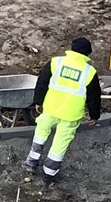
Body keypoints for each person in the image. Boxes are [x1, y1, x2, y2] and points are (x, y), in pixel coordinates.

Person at [26, 36, 101, 185]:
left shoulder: (56, 62)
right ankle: (48, 175)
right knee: (60, 144)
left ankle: (31, 164)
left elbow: (42, 83)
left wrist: (38, 102)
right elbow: (94, 97)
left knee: (41, 133)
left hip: (50, 108)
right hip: (71, 115)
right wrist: (94, 116)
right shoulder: (89, 72)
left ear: (71, 49)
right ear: (88, 54)